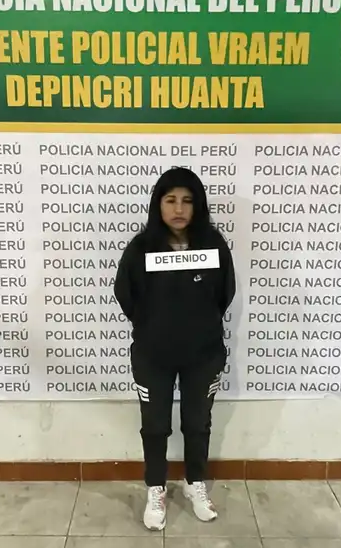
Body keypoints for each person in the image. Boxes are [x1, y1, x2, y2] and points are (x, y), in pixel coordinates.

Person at [114, 167, 236, 531]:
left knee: (198, 423)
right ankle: (156, 487)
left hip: (204, 354)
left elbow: (224, 294)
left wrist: (197, 328)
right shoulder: (140, 249)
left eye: (187, 201)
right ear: (158, 205)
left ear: (197, 206)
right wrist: (155, 329)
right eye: (170, 200)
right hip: (154, 356)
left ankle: (195, 483)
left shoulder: (214, 245)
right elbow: (125, 295)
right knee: (155, 427)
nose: (179, 208)